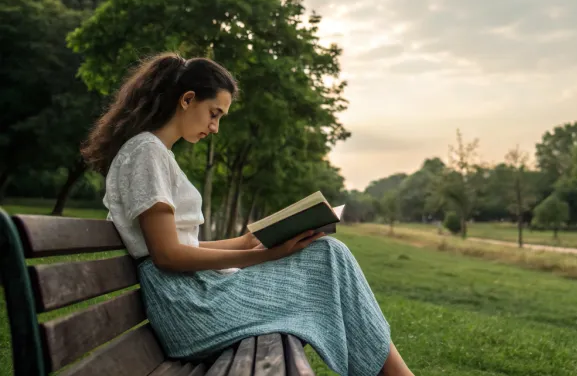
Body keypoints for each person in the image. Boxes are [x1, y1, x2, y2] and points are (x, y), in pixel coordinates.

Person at [85, 52, 414, 376]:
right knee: (329, 256)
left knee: (330, 256)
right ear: (187, 100)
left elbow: (181, 246)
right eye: (214, 113)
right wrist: (265, 256)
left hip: (194, 295)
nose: (215, 127)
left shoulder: (156, 153)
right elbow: (167, 256)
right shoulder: (147, 152)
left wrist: (246, 243)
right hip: (188, 309)